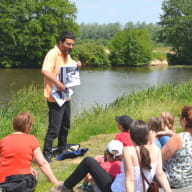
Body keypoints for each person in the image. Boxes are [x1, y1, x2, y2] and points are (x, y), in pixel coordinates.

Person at [41, 30, 82, 162]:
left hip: (65, 96)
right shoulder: (52, 54)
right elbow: (45, 70)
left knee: (65, 125)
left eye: (72, 45)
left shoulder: (66, 55)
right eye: (68, 44)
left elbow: (70, 67)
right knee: (54, 127)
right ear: (60, 42)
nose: (71, 47)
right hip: (54, 97)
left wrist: (77, 65)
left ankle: (62, 147)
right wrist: (57, 83)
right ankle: (46, 154)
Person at [0, 112, 62, 192]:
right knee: (31, 177)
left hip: (3, 181)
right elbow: (42, 163)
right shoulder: (31, 139)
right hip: (22, 181)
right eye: (31, 125)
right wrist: (55, 181)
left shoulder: (3, 141)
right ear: (28, 127)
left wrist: (28, 167)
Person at [111, 120, 171, 192]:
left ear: (130, 134)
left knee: (93, 163)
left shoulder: (128, 151)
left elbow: (130, 179)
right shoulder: (156, 150)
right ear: (147, 135)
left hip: (118, 189)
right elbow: (160, 174)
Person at [50, 140, 123, 192]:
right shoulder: (124, 164)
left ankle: (66, 187)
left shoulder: (107, 166)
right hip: (118, 187)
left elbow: (89, 176)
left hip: (110, 188)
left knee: (88, 161)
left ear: (107, 153)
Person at [161, 106, 192, 188]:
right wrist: (171, 133)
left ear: (184, 120)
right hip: (190, 180)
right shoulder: (183, 137)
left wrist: (151, 140)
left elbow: (159, 157)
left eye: (180, 116)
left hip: (175, 180)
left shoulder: (179, 138)